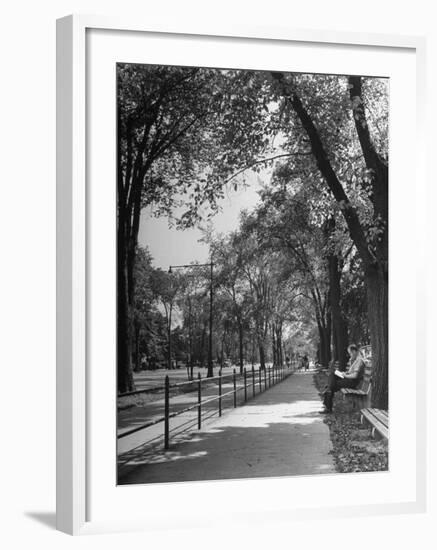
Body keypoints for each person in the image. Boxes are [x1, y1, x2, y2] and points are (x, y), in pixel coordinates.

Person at [319, 344, 365, 413]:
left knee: (332, 386)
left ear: (354, 351)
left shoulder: (359, 361)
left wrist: (345, 375)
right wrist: (345, 373)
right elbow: (350, 372)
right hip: (348, 379)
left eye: (350, 353)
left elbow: (355, 376)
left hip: (352, 382)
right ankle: (328, 393)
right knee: (333, 374)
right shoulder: (355, 360)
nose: (350, 355)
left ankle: (328, 406)